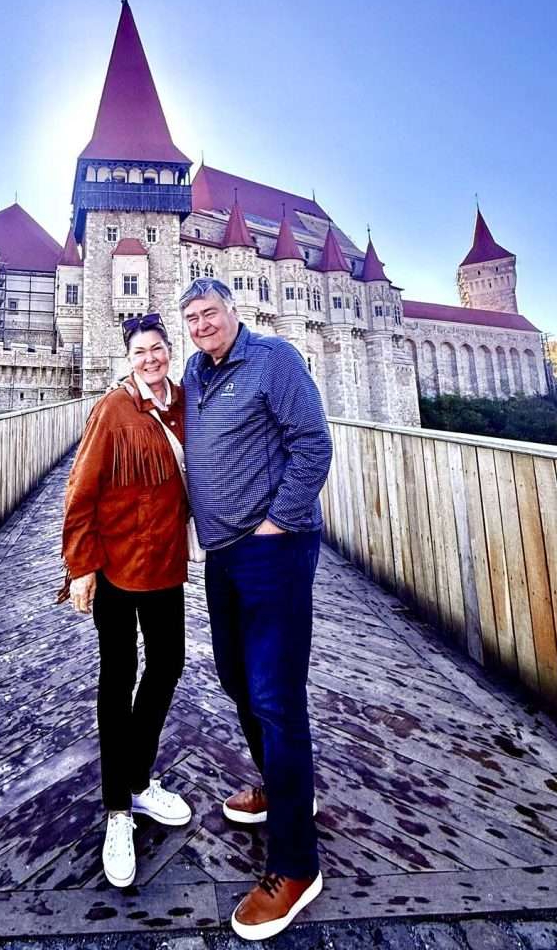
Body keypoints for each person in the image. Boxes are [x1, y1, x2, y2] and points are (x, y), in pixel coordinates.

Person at [179, 277, 333, 941]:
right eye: (191, 317)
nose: (202, 325)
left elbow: (312, 445)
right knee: (237, 680)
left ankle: (296, 865)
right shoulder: (194, 370)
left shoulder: (273, 359)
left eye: (210, 312)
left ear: (233, 311)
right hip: (222, 555)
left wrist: (278, 523)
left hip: (273, 550)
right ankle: (281, 784)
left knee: (274, 695)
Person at [61, 312, 192, 889]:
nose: (150, 359)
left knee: (167, 665)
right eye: (140, 351)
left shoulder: (186, 402)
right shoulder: (113, 410)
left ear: (170, 351)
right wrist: (80, 566)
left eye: (158, 349)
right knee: (118, 679)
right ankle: (119, 809)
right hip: (115, 567)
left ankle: (139, 781)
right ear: (128, 357)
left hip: (165, 564)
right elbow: (80, 489)